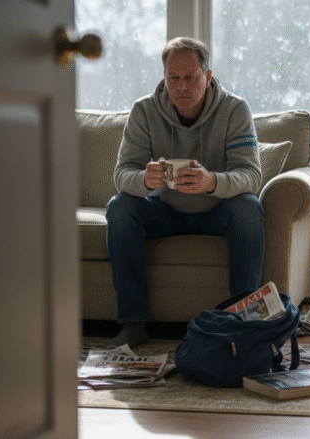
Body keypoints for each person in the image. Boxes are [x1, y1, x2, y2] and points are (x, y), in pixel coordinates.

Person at [103, 37, 264, 348]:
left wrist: (212, 182)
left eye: (190, 77)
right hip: (165, 212)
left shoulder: (234, 110)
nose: (182, 87)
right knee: (120, 206)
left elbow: (251, 176)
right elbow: (122, 175)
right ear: (164, 77)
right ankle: (133, 323)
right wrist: (145, 181)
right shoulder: (144, 111)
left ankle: (244, 323)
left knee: (249, 207)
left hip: (219, 211)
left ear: (208, 75)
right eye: (173, 78)